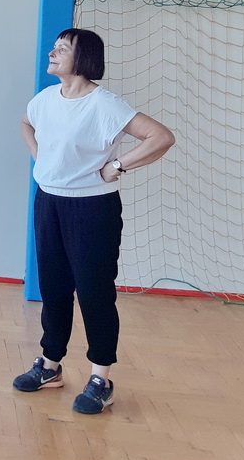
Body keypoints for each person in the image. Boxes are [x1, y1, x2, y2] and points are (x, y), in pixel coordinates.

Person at [14, 28, 174, 414]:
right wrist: (41, 157)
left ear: (83, 58)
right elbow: (25, 123)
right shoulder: (45, 99)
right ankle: (50, 366)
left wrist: (117, 166)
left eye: (62, 49)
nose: (52, 53)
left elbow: (160, 137)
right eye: (54, 47)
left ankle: (101, 378)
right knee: (53, 288)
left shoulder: (104, 104)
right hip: (48, 203)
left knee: (93, 292)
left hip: (91, 209)